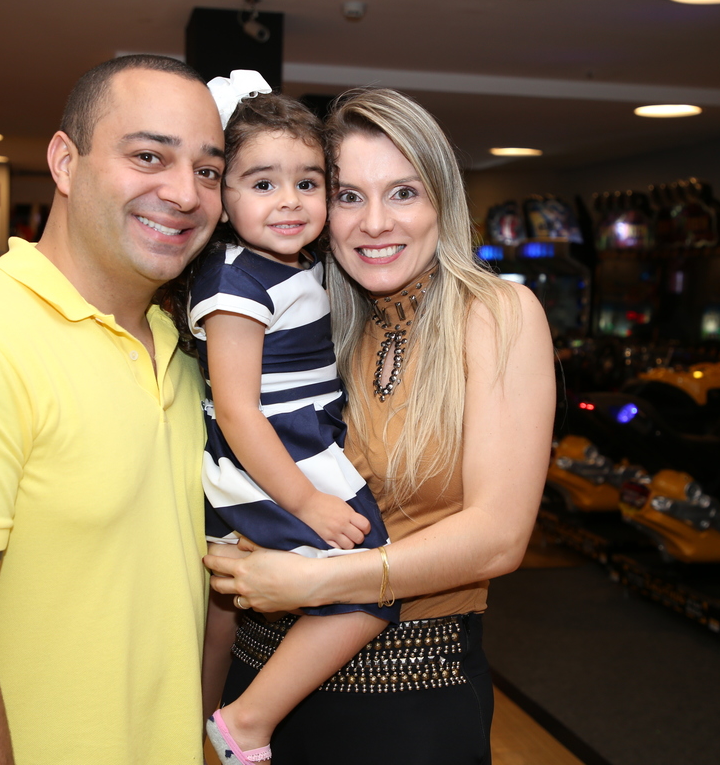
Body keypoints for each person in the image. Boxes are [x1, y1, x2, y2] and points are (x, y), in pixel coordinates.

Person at [0, 55, 226, 765]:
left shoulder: (185, 349)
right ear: (64, 161)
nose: (184, 193)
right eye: (148, 156)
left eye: (208, 171)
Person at [203, 87, 556, 764]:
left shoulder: (496, 314)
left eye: (403, 193)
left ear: (442, 201)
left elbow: (499, 538)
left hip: (408, 701)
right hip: (253, 679)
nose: (374, 223)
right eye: (348, 196)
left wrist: (316, 583)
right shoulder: (309, 315)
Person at [174, 87, 398, 764]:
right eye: (262, 183)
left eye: (308, 182)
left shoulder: (288, 266)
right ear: (223, 198)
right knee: (369, 584)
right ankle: (248, 722)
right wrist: (306, 502)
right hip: (278, 461)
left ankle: (196, 731)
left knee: (224, 614)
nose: (290, 201)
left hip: (285, 450)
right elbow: (237, 409)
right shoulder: (235, 284)